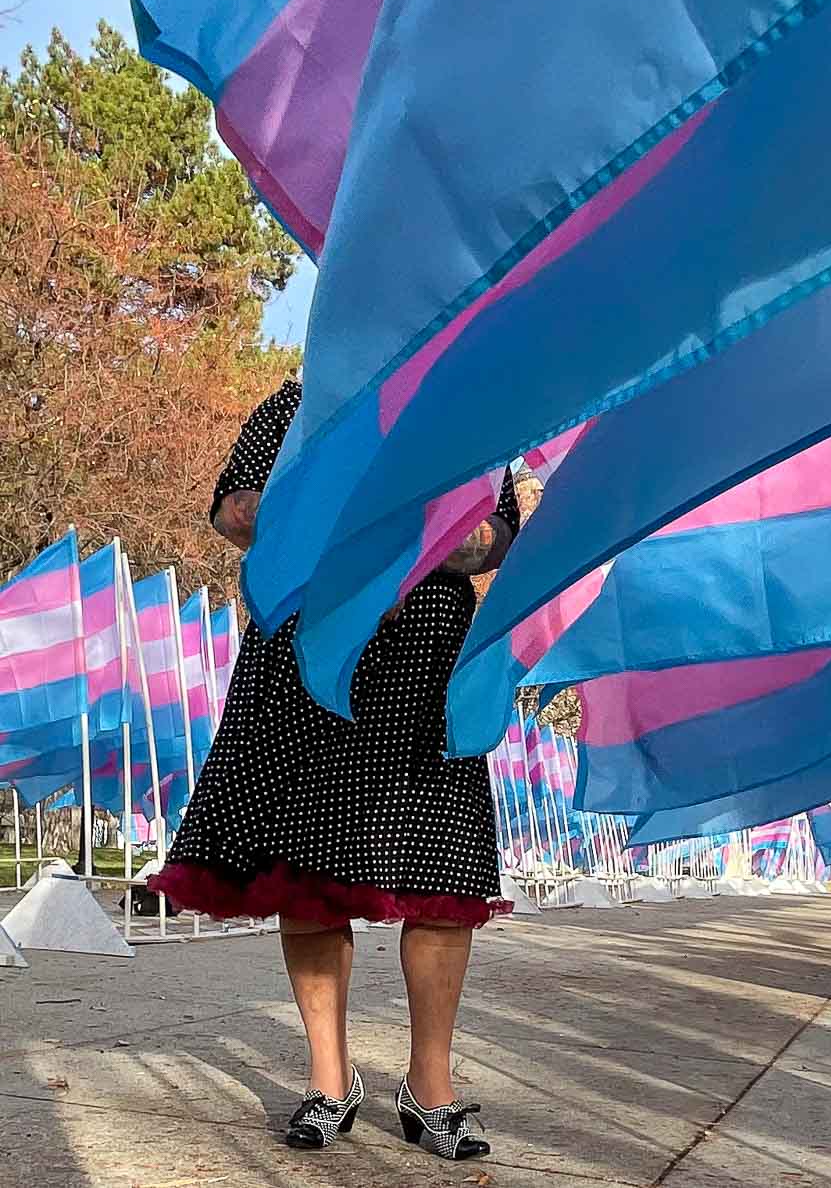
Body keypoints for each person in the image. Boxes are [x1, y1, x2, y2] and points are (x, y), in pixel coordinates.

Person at [151, 377, 517, 1160]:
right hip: (312, 649)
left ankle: (432, 1089)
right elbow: (232, 510)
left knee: (443, 876)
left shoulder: (469, 399)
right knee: (308, 867)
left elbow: (497, 536)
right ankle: (328, 1081)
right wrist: (329, 522)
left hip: (424, 658)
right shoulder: (302, 400)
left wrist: (407, 537)